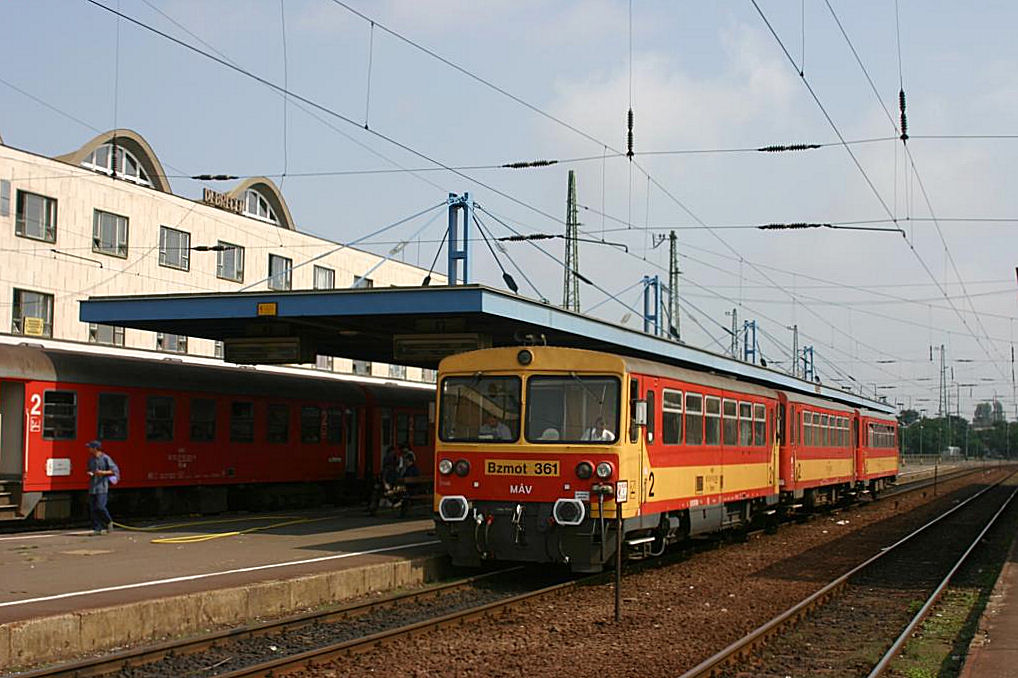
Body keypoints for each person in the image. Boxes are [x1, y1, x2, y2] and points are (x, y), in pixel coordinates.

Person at [85, 440, 119, 536]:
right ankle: (97, 528)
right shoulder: (91, 459)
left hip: (102, 487)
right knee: (93, 508)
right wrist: (90, 473)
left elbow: (114, 470)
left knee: (100, 506)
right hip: (93, 487)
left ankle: (108, 521)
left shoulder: (105, 458)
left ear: (95, 448)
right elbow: (89, 469)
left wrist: (103, 473)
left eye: (90, 447)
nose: (88, 449)